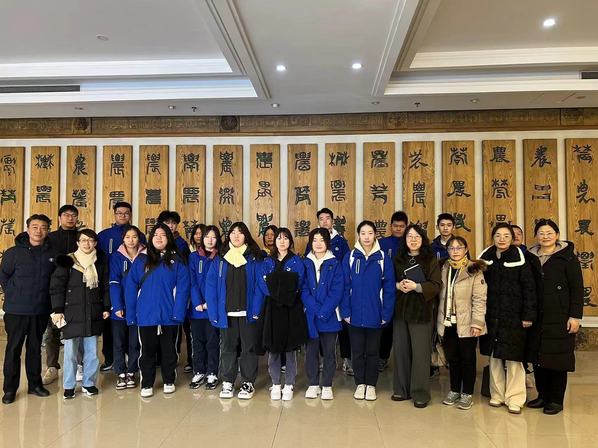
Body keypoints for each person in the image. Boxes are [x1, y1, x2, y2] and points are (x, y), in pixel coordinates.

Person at [124, 223, 190, 398]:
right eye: (155, 235)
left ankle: (169, 380)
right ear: (150, 238)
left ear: (169, 238)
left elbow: (183, 289)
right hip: (146, 315)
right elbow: (131, 288)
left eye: (163, 235)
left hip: (169, 316)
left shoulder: (177, 261)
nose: (159, 238)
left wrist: (178, 314)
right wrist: (131, 314)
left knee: (169, 351)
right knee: (147, 352)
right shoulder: (141, 260)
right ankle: (147, 383)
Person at [526, 219, 583, 415]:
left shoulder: (567, 257)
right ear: (536, 236)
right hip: (537, 316)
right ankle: (543, 395)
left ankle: (556, 400)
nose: (545, 237)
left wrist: (575, 316)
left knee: (559, 359)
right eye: (541, 233)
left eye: (549, 233)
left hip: (560, 316)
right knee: (538, 358)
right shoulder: (530, 257)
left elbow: (577, 288)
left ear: (557, 235)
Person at [479, 223, 536, 414]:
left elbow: (529, 289)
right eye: (498, 235)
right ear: (493, 238)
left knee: (514, 358)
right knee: (494, 357)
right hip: (491, 315)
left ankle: (515, 398)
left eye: (506, 236)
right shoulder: (485, 258)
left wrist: (528, 315)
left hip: (514, 316)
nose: (501, 239)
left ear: (512, 239)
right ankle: (497, 394)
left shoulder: (520, 259)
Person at [1, 214, 57, 405]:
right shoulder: (13, 253)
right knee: (13, 350)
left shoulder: (52, 254)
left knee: (35, 349)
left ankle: (35, 385)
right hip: (16, 310)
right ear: (27, 229)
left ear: (48, 230)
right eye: (35, 227)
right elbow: (4, 276)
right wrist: (14, 293)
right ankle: (10, 389)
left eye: (43, 227)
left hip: (40, 309)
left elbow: (56, 280)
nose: (38, 231)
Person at [205, 222, 263, 400]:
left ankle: (248, 382)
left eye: (240, 233)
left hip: (248, 313)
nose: (236, 236)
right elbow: (210, 287)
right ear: (228, 236)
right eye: (233, 232)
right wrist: (213, 313)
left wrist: (256, 310)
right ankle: (228, 381)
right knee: (228, 348)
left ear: (246, 236)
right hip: (226, 313)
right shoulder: (221, 259)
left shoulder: (254, 258)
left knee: (248, 348)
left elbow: (260, 286)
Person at [50, 229, 110, 399]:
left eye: (90, 240)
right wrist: (58, 310)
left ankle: (89, 383)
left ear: (95, 243)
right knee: (70, 353)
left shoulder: (100, 261)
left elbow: (105, 286)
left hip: (93, 312)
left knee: (92, 353)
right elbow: (57, 287)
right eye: (83, 240)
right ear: (77, 243)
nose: (87, 243)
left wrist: (106, 307)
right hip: (71, 313)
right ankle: (69, 386)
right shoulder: (68, 261)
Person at [340, 221, 395, 401]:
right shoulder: (350, 257)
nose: (366, 236)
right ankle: (360, 384)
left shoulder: (383, 258)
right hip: (354, 314)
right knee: (357, 351)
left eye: (370, 233)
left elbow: (389, 288)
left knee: (372, 352)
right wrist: (345, 311)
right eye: (363, 233)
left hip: (375, 314)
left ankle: (371, 384)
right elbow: (344, 286)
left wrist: (386, 313)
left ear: (375, 235)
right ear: (358, 235)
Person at [392, 224, 441, 408]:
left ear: (423, 239)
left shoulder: (430, 259)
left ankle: (420, 393)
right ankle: (401, 389)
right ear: (404, 239)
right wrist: (398, 286)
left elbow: (436, 285)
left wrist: (417, 287)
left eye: (417, 237)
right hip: (401, 310)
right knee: (400, 351)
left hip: (421, 311)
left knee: (420, 353)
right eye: (409, 236)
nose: (413, 240)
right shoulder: (398, 258)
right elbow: (388, 281)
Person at [256, 228, 308, 401]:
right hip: (272, 308)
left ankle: (289, 383)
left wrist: (278, 286)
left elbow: (298, 283)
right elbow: (263, 283)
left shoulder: (296, 261)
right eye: (279, 238)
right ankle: (276, 383)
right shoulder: (267, 261)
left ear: (290, 241)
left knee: (290, 348)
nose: (282, 241)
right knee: (274, 348)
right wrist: (278, 290)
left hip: (291, 307)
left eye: (286, 238)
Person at [437, 236, 487, 410]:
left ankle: (467, 393)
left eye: (459, 248)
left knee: (467, 358)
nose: (455, 251)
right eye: (451, 248)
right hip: (447, 322)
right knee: (452, 358)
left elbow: (480, 299)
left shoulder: (474, 269)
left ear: (466, 250)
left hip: (467, 322)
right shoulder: (443, 267)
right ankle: (454, 390)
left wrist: (477, 323)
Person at [97, 201, 146, 372]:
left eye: (126, 213)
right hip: (111, 283)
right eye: (119, 213)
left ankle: (132, 363)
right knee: (111, 328)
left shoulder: (140, 235)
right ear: (114, 214)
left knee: (133, 332)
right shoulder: (104, 235)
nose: (123, 215)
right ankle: (110, 359)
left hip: (136, 292)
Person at [305, 208, 352, 375]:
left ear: (333, 221)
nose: (325, 221)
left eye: (328, 218)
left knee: (339, 333)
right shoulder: (312, 243)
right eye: (321, 219)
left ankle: (345, 359)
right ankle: (318, 367)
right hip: (315, 297)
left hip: (334, 295)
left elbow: (346, 265)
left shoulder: (340, 241)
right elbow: (307, 271)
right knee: (315, 339)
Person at [302, 228, 344, 400]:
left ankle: (327, 385)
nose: (318, 244)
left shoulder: (335, 263)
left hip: (330, 315)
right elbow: (303, 288)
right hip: (311, 315)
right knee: (311, 352)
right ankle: (313, 384)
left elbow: (337, 290)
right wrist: (314, 308)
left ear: (327, 242)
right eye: (315, 240)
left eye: (322, 240)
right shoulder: (305, 263)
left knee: (329, 353)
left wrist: (324, 311)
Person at [43, 204, 80, 386]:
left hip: (77, 289)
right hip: (54, 288)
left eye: (73, 215)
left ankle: (79, 365)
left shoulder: (82, 237)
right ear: (59, 218)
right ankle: (52, 366)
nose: (70, 218)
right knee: (53, 329)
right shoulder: (49, 238)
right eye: (66, 215)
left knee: (78, 329)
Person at [109, 225, 145, 390]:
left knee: (134, 342)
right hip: (120, 308)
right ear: (123, 239)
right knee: (118, 342)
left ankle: (131, 371)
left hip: (139, 306)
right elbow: (114, 282)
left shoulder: (145, 256)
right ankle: (120, 373)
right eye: (128, 237)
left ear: (139, 238)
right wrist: (117, 305)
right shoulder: (116, 257)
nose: (131, 240)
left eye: (134, 237)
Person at [188, 224, 221, 390]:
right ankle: (199, 370)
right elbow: (192, 281)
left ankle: (212, 372)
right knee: (197, 342)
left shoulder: (221, 257)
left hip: (213, 309)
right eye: (207, 236)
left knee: (213, 342)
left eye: (213, 237)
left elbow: (221, 283)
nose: (210, 240)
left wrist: (210, 302)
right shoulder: (193, 257)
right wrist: (197, 302)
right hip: (197, 310)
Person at [378, 210, 408, 371]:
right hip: (386, 290)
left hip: (406, 291)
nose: (398, 229)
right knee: (386, 326)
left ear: (406, 227)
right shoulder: (382, 243)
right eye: (395, 226)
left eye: (401, 226)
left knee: (404, 326)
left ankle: (406, 361)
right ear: (391, 226)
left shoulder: (410, 242)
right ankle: (383, 357)